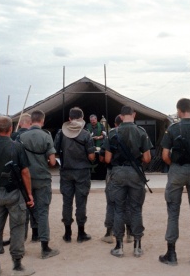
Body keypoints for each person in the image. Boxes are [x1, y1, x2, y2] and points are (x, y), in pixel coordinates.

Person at [0, 116, 35, 276]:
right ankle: (17, 265)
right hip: (15, 193)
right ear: (11, 129)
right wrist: (29, 193)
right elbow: (25, 172)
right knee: (17, 227)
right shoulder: (16, 147)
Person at [158, 98, 190, 266]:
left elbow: (165, 156)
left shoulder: (173, 129)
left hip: (177, 170)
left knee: (173, 211)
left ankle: (171, 253)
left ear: (179, 111)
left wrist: (174, 166)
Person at [104, 105, 153, 258]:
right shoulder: (141, 132)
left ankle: (119, 246)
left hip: (117, 173)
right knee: (136, 209)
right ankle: (137, 246)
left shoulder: (113, 133)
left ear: (121, 115)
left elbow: (107, 159)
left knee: (119, 209)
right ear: (134, 115)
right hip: (135, 173)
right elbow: (147, 158)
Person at [20, 110, 59, 259]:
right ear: (42, 121)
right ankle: (44, 247)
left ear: (31, 121)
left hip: (25, 179)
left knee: (24, 212)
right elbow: (53, 161)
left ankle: (20, 245)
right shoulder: (46, 136)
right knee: (43, 211)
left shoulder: (21, 136)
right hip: (42, 178)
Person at [54, 107, 96, 243]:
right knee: (81, 203)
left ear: (69, 119)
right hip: (82, 172)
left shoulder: (61, 133)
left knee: (67, 203)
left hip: (66, 171)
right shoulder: (86, 134)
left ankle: (67, 233)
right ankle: (81, 233)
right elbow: (91, 156)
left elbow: (55, 152)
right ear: (82, 119)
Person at [99, 115, 133, 244]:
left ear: (115, 123)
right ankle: (130, 234)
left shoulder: (111, 135)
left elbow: (104, 158)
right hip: (132, 172)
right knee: (129, 203)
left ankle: (109, 233)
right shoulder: (135, 133)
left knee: (112, 203)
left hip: (114, 172)